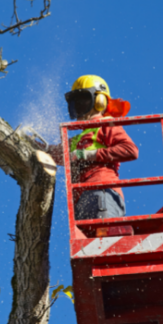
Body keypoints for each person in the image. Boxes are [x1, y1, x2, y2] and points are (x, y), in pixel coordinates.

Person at [47, 75, 138, 220]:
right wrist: (34, 145)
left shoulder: (107, 125)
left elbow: (130, 150)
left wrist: (87, 155)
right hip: (82, 197)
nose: (79, 106)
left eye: (83, 100)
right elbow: (55, 154)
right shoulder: (79, 137)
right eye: (76, 102)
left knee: (103, 240)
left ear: (99, 101)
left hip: (102, 191)